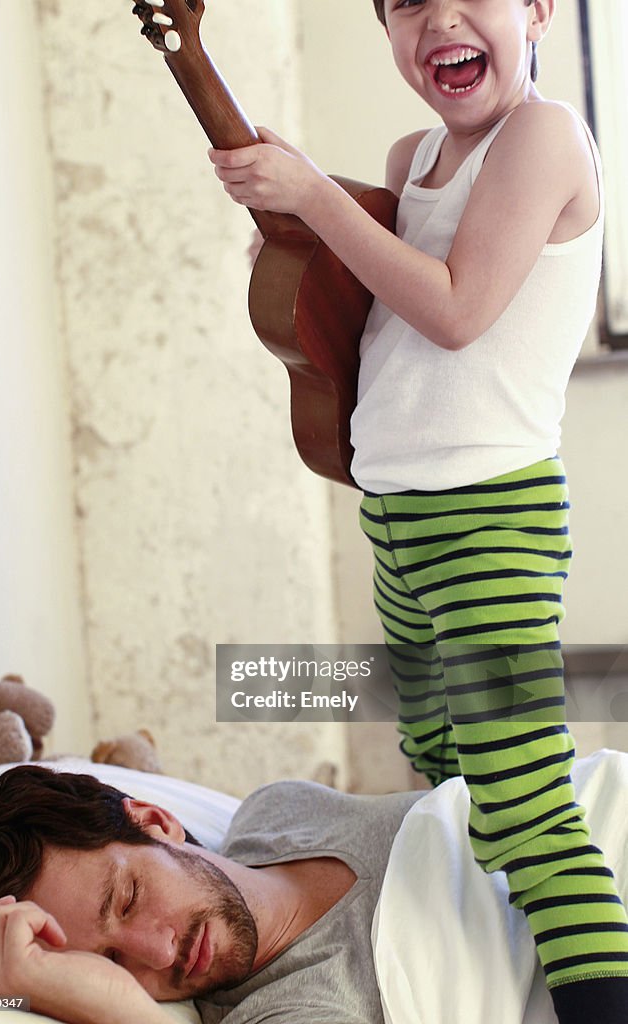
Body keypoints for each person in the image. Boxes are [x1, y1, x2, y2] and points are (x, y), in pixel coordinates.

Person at [205, 2, 628, 1022]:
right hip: (400, 520)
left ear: (533, 10)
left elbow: (451, 308)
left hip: (486, 517)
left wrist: (311, 187)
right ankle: (482, 963)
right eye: (401, 2)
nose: (436, 15)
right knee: (439, 766)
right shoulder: (413, 155)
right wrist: (286, 219)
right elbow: (368, 303)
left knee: (522, 796)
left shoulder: (541, 136)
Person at [0, 764, 423, 1024]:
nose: (158, 953)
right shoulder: (284, 1010)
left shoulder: (278, 808)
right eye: (111, 961)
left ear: (156, 822)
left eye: (128, 898)